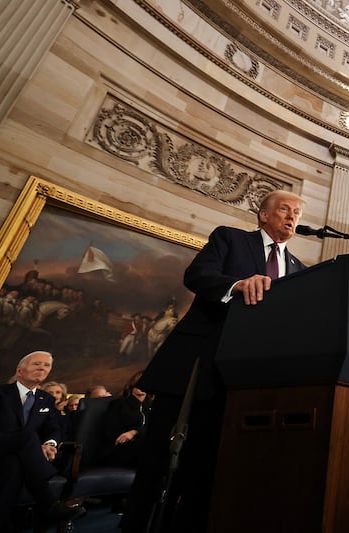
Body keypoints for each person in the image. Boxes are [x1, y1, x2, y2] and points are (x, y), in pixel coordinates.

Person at [122, 190, 307, 532]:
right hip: (194, 369)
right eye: (285, 209)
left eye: (297, 212)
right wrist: (237, 284)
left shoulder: (298, 269)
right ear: (263, 215)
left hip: (244, 382)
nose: (292, 216)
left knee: (208, 471)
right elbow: (197, 275)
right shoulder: (231, 240)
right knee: (159, 463)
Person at [0, 351, 85, 531]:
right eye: (36, 364)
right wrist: (29, 444)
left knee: (13, 465)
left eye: (46, 365)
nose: (42, 368)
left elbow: (54, 429)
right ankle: (49, 503)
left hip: (15, 460)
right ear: (20, 370)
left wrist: (50, 444)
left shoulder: (45, 399)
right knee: (29, 436)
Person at [101, 371, 152, 468]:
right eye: (139, 382)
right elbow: (111, 431)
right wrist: (132, 435)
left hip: (142, 448)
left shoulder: (150, 407)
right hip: (118, 449)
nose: (143, 386)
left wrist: (135, 432)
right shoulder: (119, 404)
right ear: (133, 384)